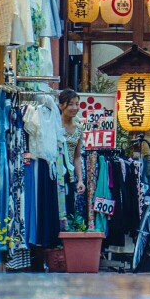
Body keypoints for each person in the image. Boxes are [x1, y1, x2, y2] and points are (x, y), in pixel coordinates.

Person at [59, 88, 85, 217]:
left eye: (77, 104)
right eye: (70, 104)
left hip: (69, 175)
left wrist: (79, 179)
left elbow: (77, 156)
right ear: (61, 106)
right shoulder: (55, 125)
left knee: (69, 210)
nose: (74, 107)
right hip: (56, 174)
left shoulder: (79, 128)